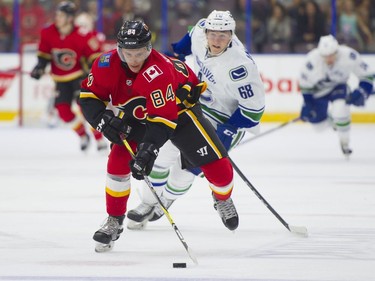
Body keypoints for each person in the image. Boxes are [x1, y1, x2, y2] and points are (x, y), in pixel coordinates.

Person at [78, 20, 238, 252]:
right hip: (138, 114)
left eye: (140, 53)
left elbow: (162, 120)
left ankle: (222, 198)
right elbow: (89, 95)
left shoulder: (158, 71)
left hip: (179, 112)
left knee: (220, 172)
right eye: (128, 53)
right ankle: (114, 219)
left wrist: (148, 151)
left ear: (149, 49)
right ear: (119, 49)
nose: (134, 59)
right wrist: (101, 120)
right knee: (117, 162)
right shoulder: (105, 64)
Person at [126, 10, 265, 230]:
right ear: (207, 31)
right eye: (213, 33)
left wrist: (225, 132)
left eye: (223, 35)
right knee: (163, 153)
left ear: (232, 35)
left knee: (190, 168)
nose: (217, 39)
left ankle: (170, 200)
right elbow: (192, 34)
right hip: (196, 105)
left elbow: (253, 111)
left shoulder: (241, 68)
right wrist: (179, 52)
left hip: (228, 119)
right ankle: (148, 202)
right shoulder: (201, 31)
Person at [30, 1, 106, 152]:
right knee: (63, 111)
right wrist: (39, 67)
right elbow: (44, 55)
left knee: (85, 109)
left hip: (80, 78)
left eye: (61, 15)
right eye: (57, 14)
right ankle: (83, 135)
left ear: (70, 18)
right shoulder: (48, 32)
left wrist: (93, 69)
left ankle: (98, 139)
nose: (57, 18)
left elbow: (95, 56)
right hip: (60, 80)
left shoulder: (82, 34)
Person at [299, 34, 374, 156]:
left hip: (338, 87)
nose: (329, 59)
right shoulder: (311, 61)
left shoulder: (349, 55)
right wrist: (307, 104)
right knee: (318, 127)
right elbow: (305, 85)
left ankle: (345, 141)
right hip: (319, 91)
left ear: (337, 50)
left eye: (332, 55)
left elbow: (367, 74)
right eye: (325, 56)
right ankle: (332, 120)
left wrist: (363, 91)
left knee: (340, 110)